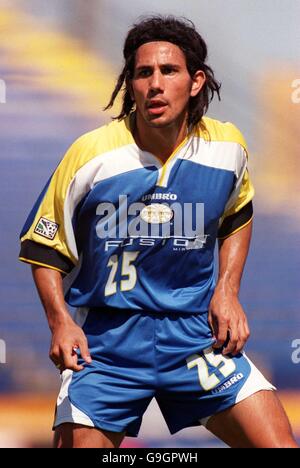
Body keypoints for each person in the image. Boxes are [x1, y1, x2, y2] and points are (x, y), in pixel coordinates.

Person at [19, 16, 298, 448]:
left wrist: (227, 290)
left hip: (193, 339)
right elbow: (43, 245)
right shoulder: (92, 155)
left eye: (169, 71)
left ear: (195, 81)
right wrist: (59, 323)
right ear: (130, 83)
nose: (155, 83)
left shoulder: (227, 149)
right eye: (143, 73)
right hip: (107, 347)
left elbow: (237, 215)